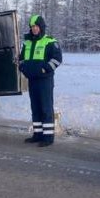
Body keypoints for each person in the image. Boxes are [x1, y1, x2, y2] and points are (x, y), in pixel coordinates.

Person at [19, 14, 62, 146]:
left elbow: (57, 59)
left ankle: (48, 137)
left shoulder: (50, 41)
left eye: (36, 26)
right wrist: (23, 68)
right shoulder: (27, 43)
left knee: (45, 108)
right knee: (35, 107)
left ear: (41, 27)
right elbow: (21, 59)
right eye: (32, 27)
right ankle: (37, 134)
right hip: (32, 80)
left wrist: (45, 69)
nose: (34, 29)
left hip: (45, 81)